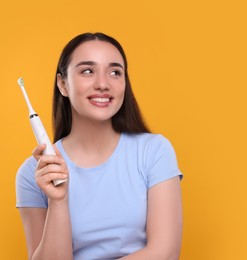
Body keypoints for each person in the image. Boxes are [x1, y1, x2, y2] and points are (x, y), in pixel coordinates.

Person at [16, 32, 183, 260]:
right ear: (63, 84)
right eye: (87, 71)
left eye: (115, 72)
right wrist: (58, 201)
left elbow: (165, 253)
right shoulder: (34, 173)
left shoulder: (154, 151)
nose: (103, 84)